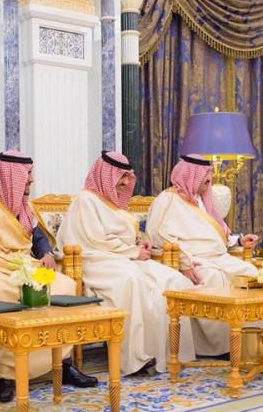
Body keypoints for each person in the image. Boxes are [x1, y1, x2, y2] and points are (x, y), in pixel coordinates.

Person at [0, 150, 97, 402]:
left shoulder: (25, 207)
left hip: (25, 267)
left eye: (30, 174)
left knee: (63, 285)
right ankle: (8, 376)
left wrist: (46, 254)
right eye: (27, 175)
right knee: (1, 293)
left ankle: (62, 365)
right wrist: (18, 266)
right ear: (10, 177)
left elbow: (37, 236)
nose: (31, 180)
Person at [56, 151, 197, 375]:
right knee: (133, 280)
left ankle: (171, 353)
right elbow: (96, 240)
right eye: (120, 176)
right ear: (105, 175)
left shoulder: (115, 204)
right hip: (96, 261)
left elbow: (122, 234)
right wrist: (133, 251)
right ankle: (136, 358)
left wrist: (140, 242)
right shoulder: (86, 200)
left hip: (124, 258)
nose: (125, 182)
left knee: (172, 279)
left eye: (127, 177)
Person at [145, 154, 261, 356]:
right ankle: (218, 347)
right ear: (189, 175)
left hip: (219, 257)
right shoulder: (168, 200)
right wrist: (184, 262)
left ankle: (251, 341)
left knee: (251, 273)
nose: (209, 179)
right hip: (194, 259)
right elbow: (158, 235)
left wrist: (240, 241)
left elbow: (217, 236)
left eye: (208, 174)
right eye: (204, 175)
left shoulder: (202, 201)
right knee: (213, 277)